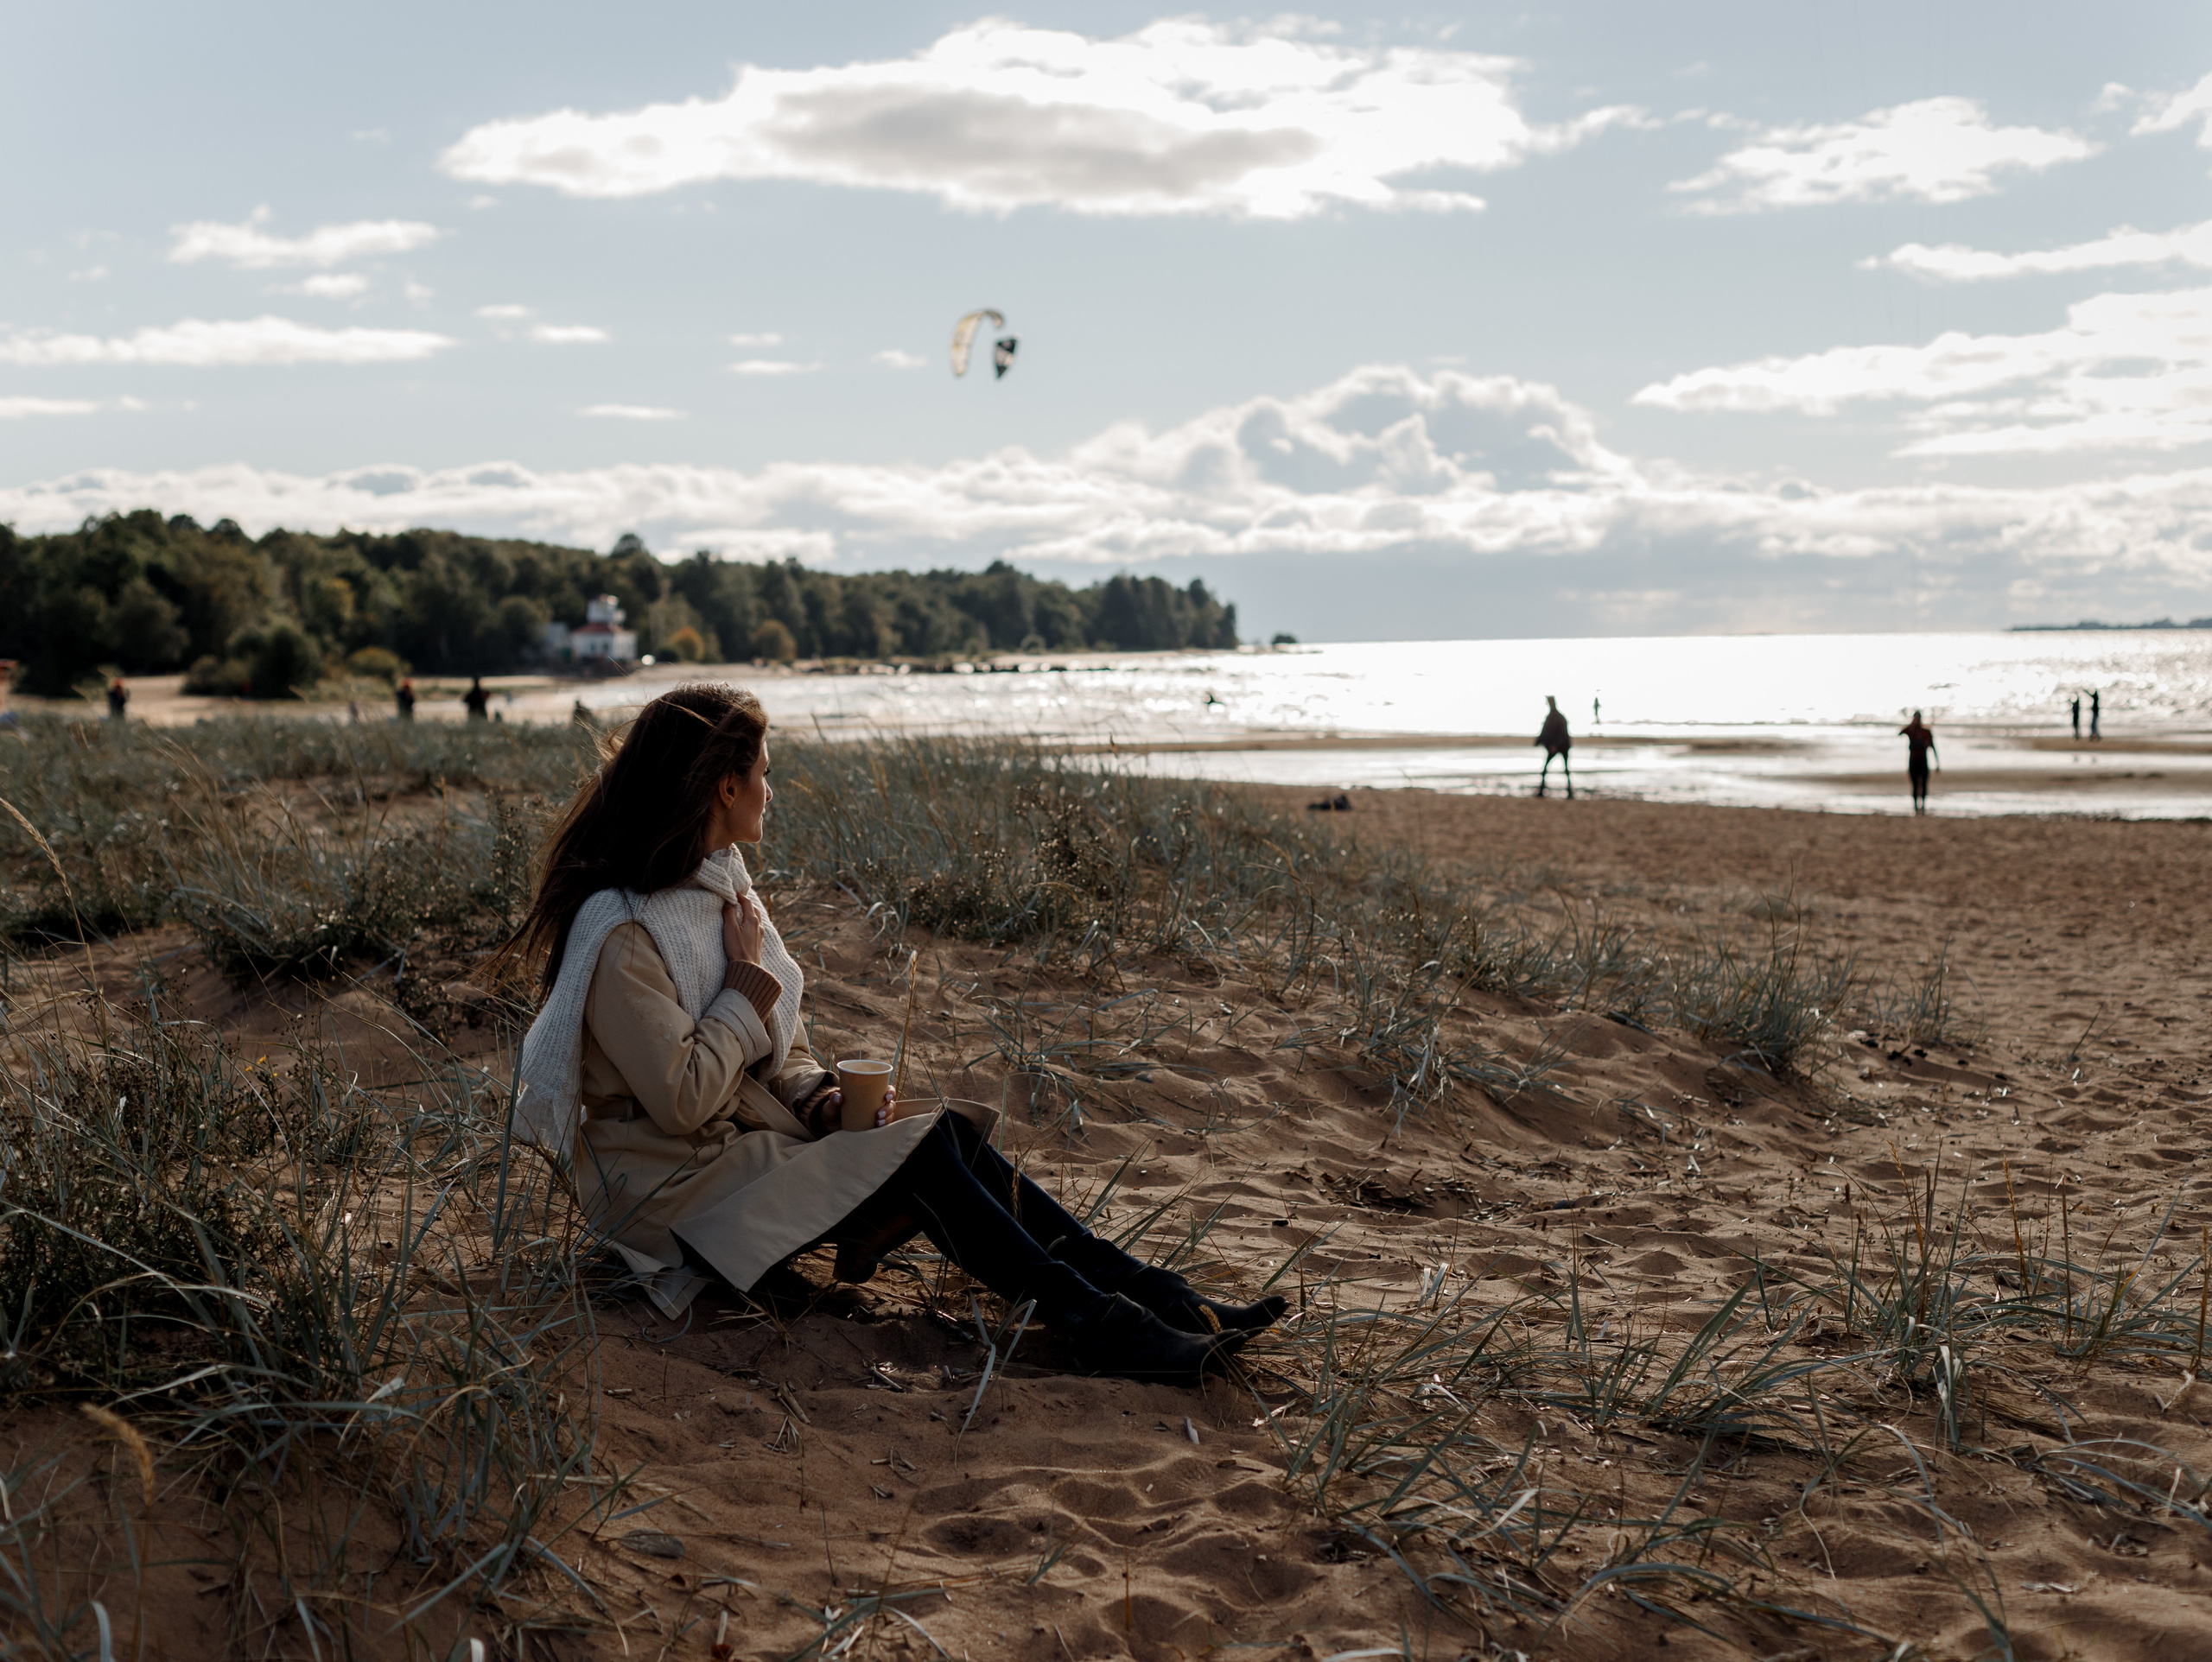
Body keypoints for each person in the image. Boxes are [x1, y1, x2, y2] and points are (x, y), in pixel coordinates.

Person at [498, 684, 1273, 1383]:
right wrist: (742, 988)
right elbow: (681, 1100)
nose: (773, 790)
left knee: (947, 1139)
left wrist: (821, 1101)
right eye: (765, 772)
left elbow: (781, 1051)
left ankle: (1160, 1299)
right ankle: (1105, 1328)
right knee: (929, 1153)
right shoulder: (621, 931)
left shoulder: (719, 889)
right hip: (670, 1198)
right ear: (726, 786)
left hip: (741, 1155)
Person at [1534, 695, 1573, 798]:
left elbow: (1561, 733)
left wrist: (1555, 745)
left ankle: (1569, 792)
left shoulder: (1557, 717)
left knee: (1564, 770)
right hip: (1558, 746)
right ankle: (1543, 791)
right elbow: (1545, 731)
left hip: (1561, 747)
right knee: (1550, 769)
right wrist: (1538, 741)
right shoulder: (1552, 716)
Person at [1899, 709, 1937, 815]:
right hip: (1913, 761)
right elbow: (1900, 733)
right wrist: (1911, 725)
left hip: (1923, 761)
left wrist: (1937, 763)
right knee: (1915, 785)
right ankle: (1916, 807)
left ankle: (1923, 806)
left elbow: (1933, 747)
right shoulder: (1910, 730)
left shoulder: (1926, 732)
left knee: (1924, 785)